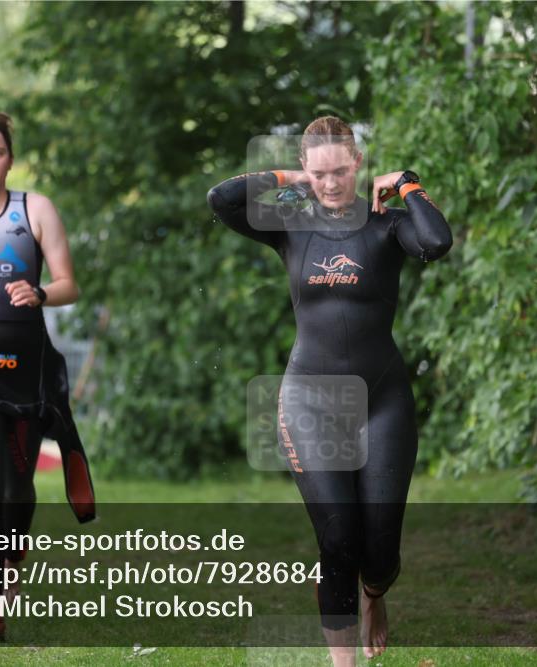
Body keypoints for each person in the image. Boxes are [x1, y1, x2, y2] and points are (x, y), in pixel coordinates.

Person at [207, 116, 452, 666]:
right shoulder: (288, 223)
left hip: (381, 400)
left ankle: (374, 596)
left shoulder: (386, 224)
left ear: (358, 163)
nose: (332, 183)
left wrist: (408, 184)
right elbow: (221, 200)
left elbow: (436, 241)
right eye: (321, 174)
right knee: (338, 541)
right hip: (310, 400)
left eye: (341, 170)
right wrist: (289, 178)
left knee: (380, 551)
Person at [0, 111, 95, 641]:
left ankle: (9, 579)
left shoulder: (34, 209)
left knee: (18, 487)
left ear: (9, 158)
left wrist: (40, 293)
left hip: (29, 375)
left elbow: (69, 284)